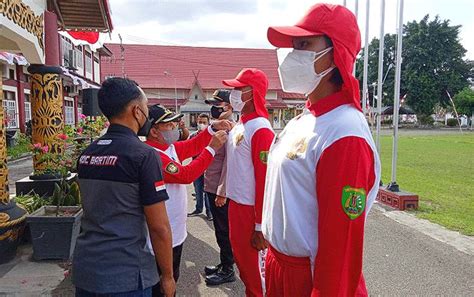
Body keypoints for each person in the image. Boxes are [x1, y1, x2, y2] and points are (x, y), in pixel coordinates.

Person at [262, 3, 381, 296]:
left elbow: (340, 249)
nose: (293, 55)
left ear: (335, 53)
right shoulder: (304, 119)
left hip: (309, 277)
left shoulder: (344, 132)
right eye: (293, 46)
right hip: (280, 265)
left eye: (304, 44)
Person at [73, 77, 175, 297]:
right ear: (137, 111)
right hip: (126, 275)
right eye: (146, 107)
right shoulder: (143, 156)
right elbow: (159, 227)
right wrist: (167, 276)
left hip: (86, 270)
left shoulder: (88, 154)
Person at [144, 104, 230, 297]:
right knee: (162, 283)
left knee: (173, 276)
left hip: (175, 231)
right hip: (161, 235)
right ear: (154, 131)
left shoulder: (169, 148)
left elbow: (194, 145)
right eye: (169, 124)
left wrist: (212, 128)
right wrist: (212, 149)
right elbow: (185, 175)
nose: (175, 126)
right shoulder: (153, 155)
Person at [223, 68, 275, 296]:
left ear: (252, 93)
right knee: (244, 266)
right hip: (236, 205)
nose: (232, 94)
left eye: (237, 89)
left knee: (257, 274)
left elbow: (265, 179)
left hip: (251, 211)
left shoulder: (261, 129)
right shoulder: (240, 125)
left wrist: (260, 226)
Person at [202, 90, 236, 286]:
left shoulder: (231, 131)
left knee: (224, 230)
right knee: (219, 229)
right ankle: (224, 263)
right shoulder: (215, 127)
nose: (214, 108)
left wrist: (222, 191)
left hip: (219, 189)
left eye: (219, 104)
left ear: (229, 108)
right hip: (210, 184)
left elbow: (228, 164)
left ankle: (228, 269)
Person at [188, 113, 213, 220]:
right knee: (198, 190)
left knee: (207, 191)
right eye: (200, 122)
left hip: (208, 168)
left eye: (204, 122)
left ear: (208, 123)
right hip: (196, 168)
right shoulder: (193, 136)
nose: (201, 124)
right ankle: (198, 209)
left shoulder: (212, 136)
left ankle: (209, 212)